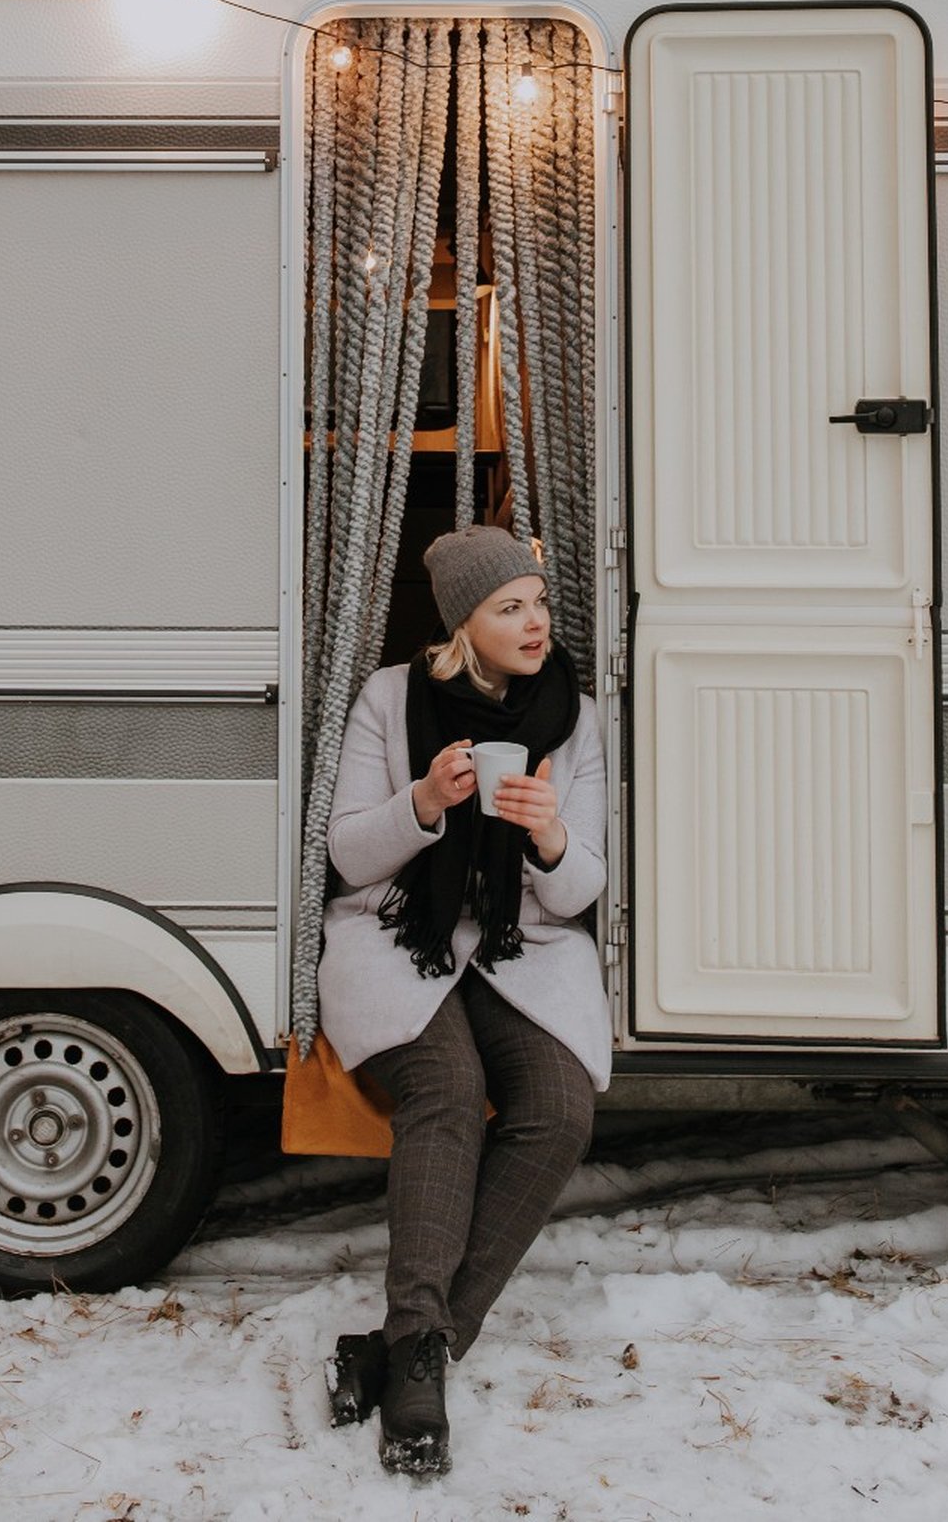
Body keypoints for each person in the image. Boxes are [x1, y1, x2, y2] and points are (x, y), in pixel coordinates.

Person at [319, 524, 610, 1477]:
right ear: (461, 626)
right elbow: (349, 856)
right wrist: (423, 807)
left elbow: (577, 892)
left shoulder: (576, 717)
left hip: (518, 944)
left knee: (559, 1107)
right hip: (401, 934)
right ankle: (419, 1362)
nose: (536, 624)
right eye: (510, 608)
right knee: (445, 1088)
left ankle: (411, 1349)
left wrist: (554, 840)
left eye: (539, 603)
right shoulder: (391, 701)